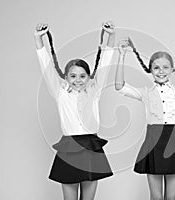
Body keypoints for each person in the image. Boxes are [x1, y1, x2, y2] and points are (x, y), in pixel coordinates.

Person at [115, 35, 175, 200]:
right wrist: (122, 55)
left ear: (172, 69)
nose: (161, 71)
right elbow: (119, 86)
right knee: (156, 197)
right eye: (156, 68)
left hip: (173, 144)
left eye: (165, 67)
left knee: (172, 198)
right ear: (150, 70)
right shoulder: (145, 92)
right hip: (153, 145)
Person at [35, 21, 115, 200]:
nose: (78, 80)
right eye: (73, 76)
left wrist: (111, 36)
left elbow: (104, 66)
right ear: (66, 77)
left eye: (82, 76)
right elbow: (47, 69)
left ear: (89, 77)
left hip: (91, 148)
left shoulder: (95, 91)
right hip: (69, 148)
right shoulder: (60, 93)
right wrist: (38, 40)